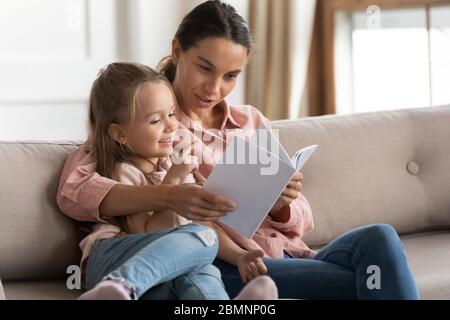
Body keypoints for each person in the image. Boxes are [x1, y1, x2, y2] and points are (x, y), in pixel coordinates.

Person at [58, 0, 419, 299]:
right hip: (226, 263)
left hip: (288, 253)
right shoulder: (148, 127)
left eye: (230, 76)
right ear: (177, 50)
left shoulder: (251, 122)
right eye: (205, 68)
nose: (214, 88)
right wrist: (168, 193)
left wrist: (282, 204)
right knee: (369, 280)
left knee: (379, 237)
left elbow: (304, 220)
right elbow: (76, 190)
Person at [74, 62, 277, 300]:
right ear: (119, 133)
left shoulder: (171, 164)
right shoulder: (123, 172)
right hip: (113, 257)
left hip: (158, 275)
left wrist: (239, 256)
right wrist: (173, 179)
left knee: (202, 269)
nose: (172, 125)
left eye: (171, 114)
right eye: (155, 121)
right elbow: (147, 234)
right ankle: (122, 286)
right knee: (203, 241)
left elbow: (202, 227)